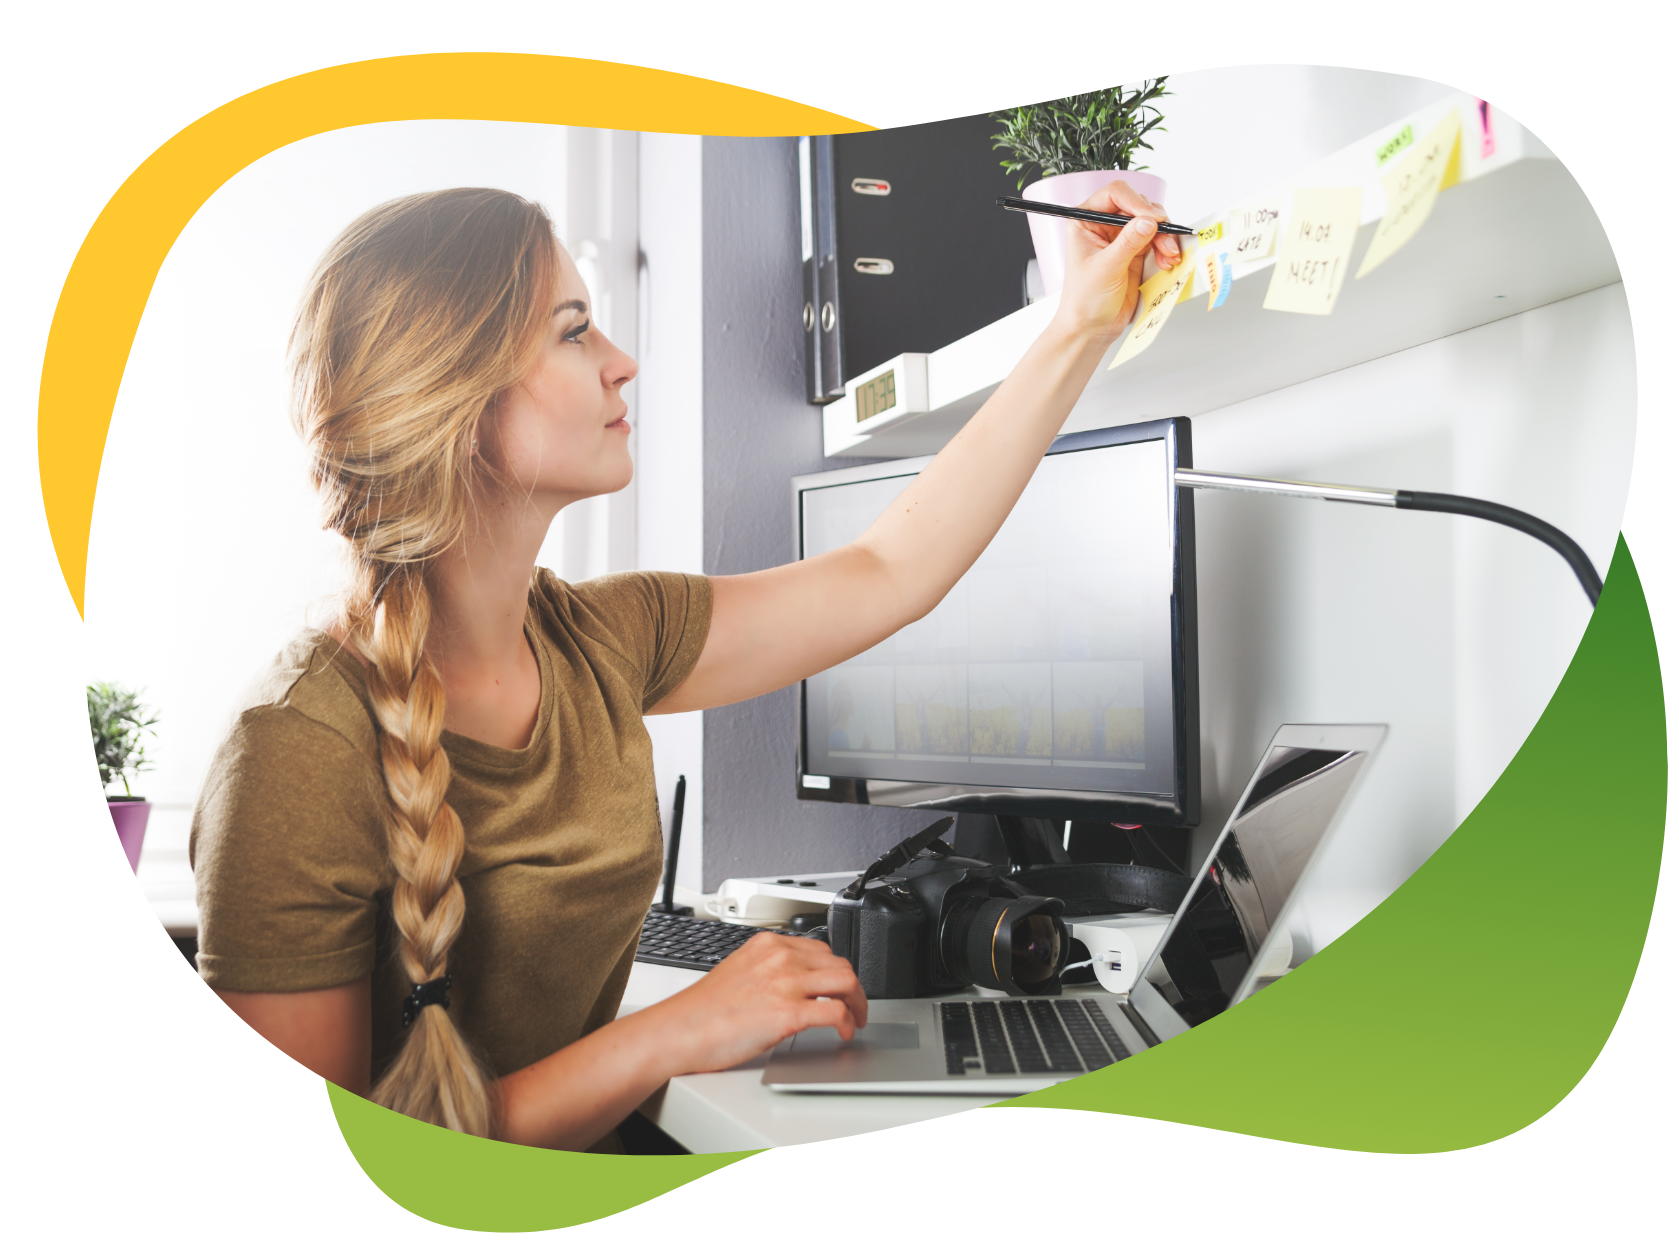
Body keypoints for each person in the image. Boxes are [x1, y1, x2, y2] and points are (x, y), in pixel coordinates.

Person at [193, 181, 1181, 1151]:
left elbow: (889, 571)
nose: (621, 363)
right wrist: (673, 1032)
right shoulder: (292, 748)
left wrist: (1077, 327)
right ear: (459, 398)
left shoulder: (601, 640)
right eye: (575, 331)